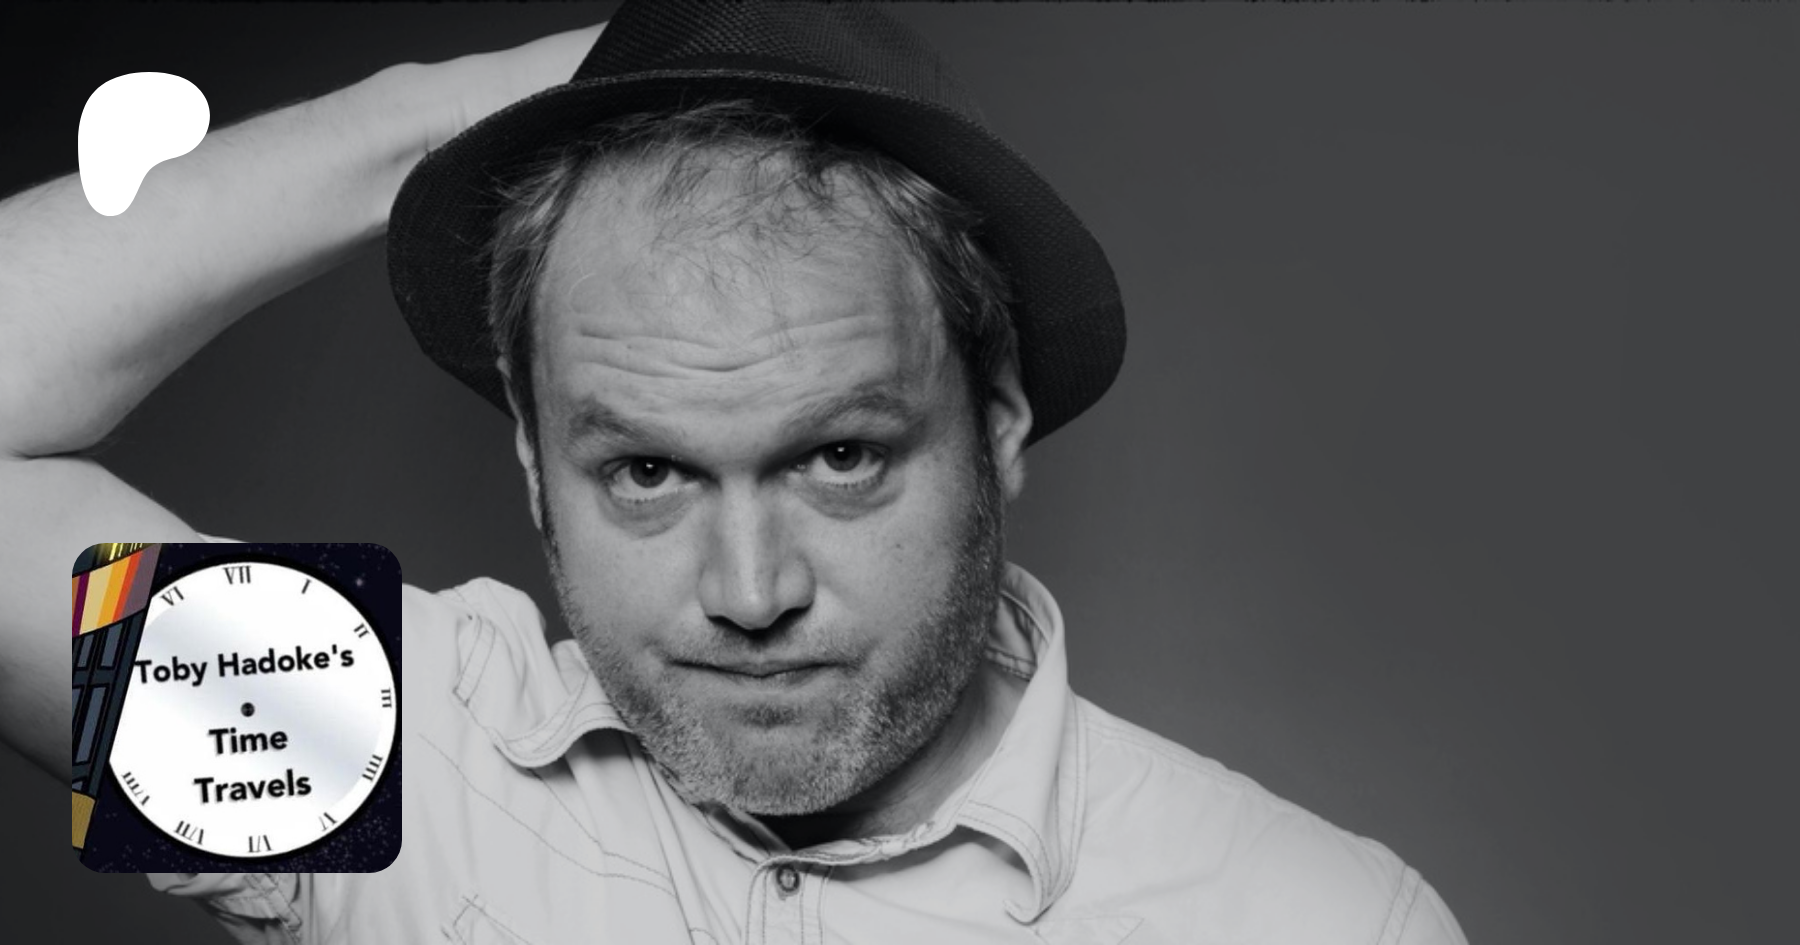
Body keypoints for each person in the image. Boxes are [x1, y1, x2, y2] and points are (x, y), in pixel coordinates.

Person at [0, 3, 1466, 943]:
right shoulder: (378, 759)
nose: (750, 595)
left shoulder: (1311, 920)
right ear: (534, 464)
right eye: (646, 472)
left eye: (842, 457)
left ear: (999, 426)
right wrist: (445, 123)